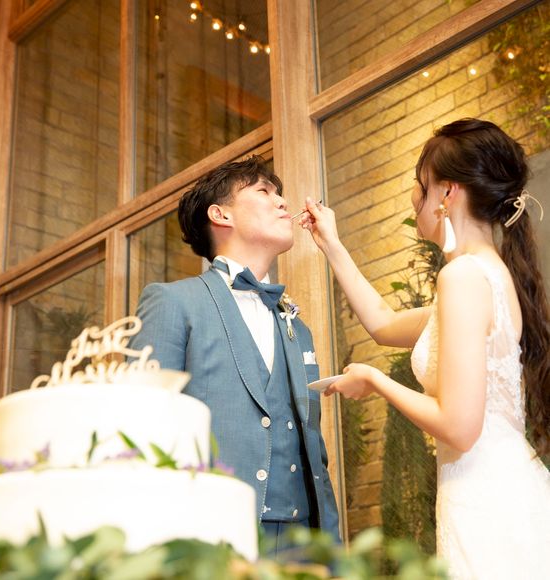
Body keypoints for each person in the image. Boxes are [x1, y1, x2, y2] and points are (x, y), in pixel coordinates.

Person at [300, 118, 550, 579]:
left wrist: (374, 380)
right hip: (496, 490)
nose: (415, 198)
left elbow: (459, 427)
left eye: (422, 185)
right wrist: (331, 244)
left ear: (447, 194)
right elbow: (383, 324)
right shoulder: (486, 273)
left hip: (487, 502)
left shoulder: (463, 278)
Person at [128, 155, 340, 553]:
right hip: (211, 539)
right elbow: (143, 428)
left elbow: (311, 446)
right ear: (220, 214)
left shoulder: (298, 328)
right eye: (264, 191)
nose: (282, 202)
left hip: (303, 545)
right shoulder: (173, 302)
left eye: (280, 194)